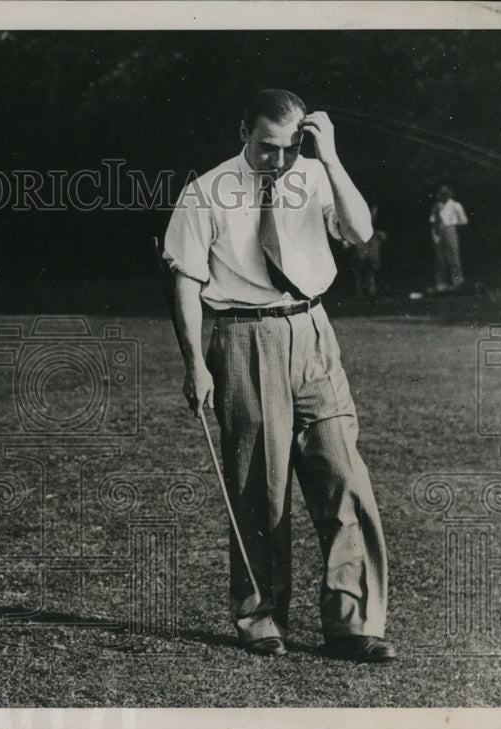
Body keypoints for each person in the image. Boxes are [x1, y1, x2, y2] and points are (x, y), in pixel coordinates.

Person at [163, 89, 395, 662]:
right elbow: (186, 283)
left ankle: (353, 621)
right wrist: (195, 364)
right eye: (267, 147)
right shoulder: (206, 191)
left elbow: (360, 233)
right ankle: (260, 614)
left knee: (343, 473)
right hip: (243, 337)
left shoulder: (315, 174)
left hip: (313, 331)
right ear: (244, 130)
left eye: (291, 148)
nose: (278, 159)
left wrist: (331, 157)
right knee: (259, 487)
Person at [428, 184, 468, 292]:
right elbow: (432, 220)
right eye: (442, 194)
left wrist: (450, 223)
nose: (444, 196)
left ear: (450, 195)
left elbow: (464, 220)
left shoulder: (455, 205)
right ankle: (442, 283)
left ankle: (457, 281)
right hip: (438, 231)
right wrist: (436, 231)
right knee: (440, 257)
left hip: (450, 230)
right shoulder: (436, 206)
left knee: (453, 256)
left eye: (446, 194)